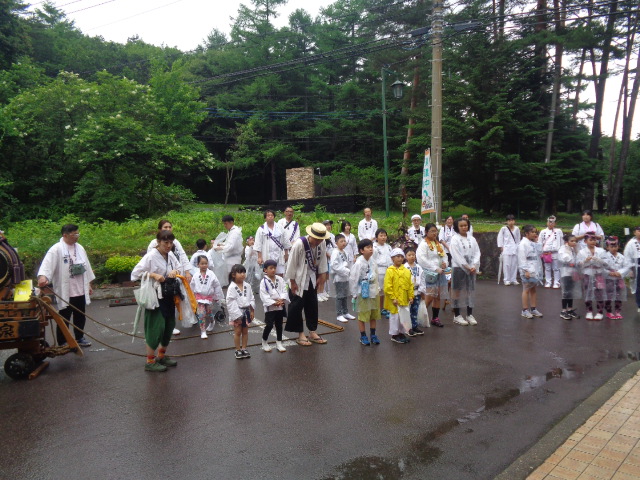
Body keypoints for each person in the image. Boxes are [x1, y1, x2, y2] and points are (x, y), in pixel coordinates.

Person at [131, 230, 184, 372]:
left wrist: (175, 272)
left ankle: (161, 356)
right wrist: (153, 275)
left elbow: (179, 267)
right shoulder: (151, 256)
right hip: (155, 297)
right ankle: (150, 361)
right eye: (165, 242)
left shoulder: (170, 255)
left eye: (171, 242)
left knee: (168, 326)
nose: (168, 245)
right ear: (158, 242)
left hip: (169, 295)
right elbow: (135, 274)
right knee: (156, 327)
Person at [37, 223, 95, 348]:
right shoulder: (56, 249)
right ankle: (63, 341)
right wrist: (43, 277)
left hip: (80, 288)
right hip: (65, 290)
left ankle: (79, 337)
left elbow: (87, 267)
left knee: (80, 315)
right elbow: (47, 265)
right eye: (74, 234)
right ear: (65, 235)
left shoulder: (80, 248)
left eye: (78, 234)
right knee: (64, 316)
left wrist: (88, 285)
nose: (77, 237)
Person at [284, 222, 330, 346]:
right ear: (311, 236)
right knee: (297, 306)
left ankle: (312, 331)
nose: (319, 241)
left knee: (312, 304)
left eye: (321, 239)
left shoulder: (322, 243)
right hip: (298, 278)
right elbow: (291, 264)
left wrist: (321, 275)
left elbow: (322, 260)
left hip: (312, 277)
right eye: (317, 239)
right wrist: (292, 282)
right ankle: (300, 334)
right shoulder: (299, 244)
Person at [147, 219, 192, 336]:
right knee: (160, 305)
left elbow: (182, 256)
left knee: (174, 302)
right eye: (165, 227)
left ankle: (171, 326)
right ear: (159, 230)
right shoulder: (154, 244)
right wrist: (154, 275)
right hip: (159, 280)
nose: (168, 229)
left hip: (174, 277)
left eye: (169, 227)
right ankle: (161, 327)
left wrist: (187, 271)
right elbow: (148, 264)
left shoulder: (175, 242)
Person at [416, 223, 449, 328]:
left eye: (436, 231)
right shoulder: (423, 244)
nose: (435, 233)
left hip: (439, 272)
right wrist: (435, 268)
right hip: (429, 273)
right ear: (426, 232)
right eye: (432, 231)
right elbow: (422, 259)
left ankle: (435, 318)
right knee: (429, 297)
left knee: (438, 296)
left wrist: (445, 263)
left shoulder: (438, 244)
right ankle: (419, 317)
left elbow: (444, 256)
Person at [349, 239, 380, 345]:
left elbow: (376, 274)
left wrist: (377, 287)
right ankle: (363, 336)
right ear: (361, 250)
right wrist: (354, 293)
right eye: (368, 247)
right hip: (363, 291)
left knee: (373, 314)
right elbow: (354, 279)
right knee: (362, 314)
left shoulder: (373, 261)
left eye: (371, 247)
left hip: (373, 291)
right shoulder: (359, 263)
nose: (371, 249)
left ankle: (373, 335)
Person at [450, 217, 480, 326]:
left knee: (470, 290)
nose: (464, 227)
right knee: (457, 290)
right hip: (459, 268)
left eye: (465, 225)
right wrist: (466, 266)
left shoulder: (472, 239)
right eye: (461, 226)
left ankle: (469, 314)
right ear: (457, 227)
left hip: (471, 268)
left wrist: (474, 265)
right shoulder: (455, 239)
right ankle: (457, 315)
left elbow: (477, 252)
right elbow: (456, 255)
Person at [384, 248, 414, 344]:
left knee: (403, 316)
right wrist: (392, 297)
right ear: (392, 258)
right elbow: (387, 286)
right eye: (397, 256)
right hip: (394, 300)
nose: (400, 258)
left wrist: (411, 296)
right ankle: (394, 334)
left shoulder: (406, 271)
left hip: (404, 298)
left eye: (401, 257)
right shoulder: (390, 270)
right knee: (395, 317)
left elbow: (410, 284)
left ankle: (401, 333)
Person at [190, 255, 223, 338]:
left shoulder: (211, 274)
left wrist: (217, 297)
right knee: (201, 315)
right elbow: (192, 286)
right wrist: (192, 296)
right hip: (199, 298)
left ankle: (212, 322)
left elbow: (216, 285)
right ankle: (203, 331)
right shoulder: (196, 275)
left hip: (209, 297)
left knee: (209, 313)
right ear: (198, 264)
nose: (204, 265)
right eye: (202, 263)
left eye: (206, 263)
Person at [226, 264, 255, 359]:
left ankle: (244, 348)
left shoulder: (247, 286)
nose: (243, 274)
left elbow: (251, 298)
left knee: (245, 331)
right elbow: (230, 302)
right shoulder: (232, 287)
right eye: (240, 272)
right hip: (237, 313)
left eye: (244, 272)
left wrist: (252, 310)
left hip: (246, 311)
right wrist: (237, 315)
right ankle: (237, 350)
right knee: (238, 332)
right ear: (233, 275)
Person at [259, 260, 288, 352]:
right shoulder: (263, 282)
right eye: (271, 268)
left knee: (279, 325)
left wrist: (282, 299)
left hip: (280, 306)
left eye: (274, 268)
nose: (273, 270)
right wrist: (273, 302)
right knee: (269, 325)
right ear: (265, 270)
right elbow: (264, 295)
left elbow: (285, 289)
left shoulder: (280, 279)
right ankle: (264, 342)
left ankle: (279, 342)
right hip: (270, 307)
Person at [577, 232, 606, 320]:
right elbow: (578, 264)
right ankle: (589, 311)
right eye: (590, 240)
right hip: (587, 273)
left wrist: (599, 260)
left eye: (594, 240)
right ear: (585, 241)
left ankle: (600, 312)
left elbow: (606, 263)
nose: (593, 242)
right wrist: (585, 261)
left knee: (599, 292)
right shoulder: (581, 252)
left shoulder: (601, 251)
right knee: (587, 292)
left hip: (599, 274)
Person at [517, 225, 544, 319]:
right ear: (526, 233)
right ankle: (524, 310)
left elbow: (540, 253)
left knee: (533, 289)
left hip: (535, 269)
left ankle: (533, 308)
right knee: (526, 289)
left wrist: (537, 242)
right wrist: (525, 270)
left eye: (535, 232)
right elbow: (522, 258)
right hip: (528, 269)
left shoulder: (533, 243)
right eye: (532, 232)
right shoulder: (523, 244)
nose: (534, 234)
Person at [601, 237, 630, 320]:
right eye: (611, 247)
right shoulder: (604, 257)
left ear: (618, 246)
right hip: (608, 279)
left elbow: (626, 266)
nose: (614, 248)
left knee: (618, 296)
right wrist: (609, 273)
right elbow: (601, 267)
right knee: (608, 296)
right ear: (607, 247)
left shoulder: (622, 257)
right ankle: (609, 311)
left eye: (615, 246)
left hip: (618, 279)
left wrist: (620, 272)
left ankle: (618, 311)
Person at [255, 209, 290, 276]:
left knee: (280, 275)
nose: (270, 217)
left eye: (272, 215)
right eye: (268, 215)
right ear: (265, 218)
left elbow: (285, 240)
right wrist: (259, 257)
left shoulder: (280, 228)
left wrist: (286, 254)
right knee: (268, 275)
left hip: (279, 254)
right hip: (267, 255)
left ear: (274, 217)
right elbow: (258, 243)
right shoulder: (261, 229)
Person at [558, 234, 582, 320]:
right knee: (566, 292)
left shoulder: (573, 248)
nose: (574, 242)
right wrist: (573, 261)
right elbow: (566, 259)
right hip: (566, 272)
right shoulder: (563, 249)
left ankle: (570, 309)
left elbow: (578, 258)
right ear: (566, 241)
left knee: (571, 292)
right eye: (572, 241)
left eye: (575, 241)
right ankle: (563, 311)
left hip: (573, 272)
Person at [330, 233, 353, 323]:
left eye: (344, 241)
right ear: (336, 243)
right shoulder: (335, 252)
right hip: (339, 277)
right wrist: (345, 271)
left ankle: (345, 312)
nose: (343, 243)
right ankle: (339, 314)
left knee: (345, 295)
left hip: (346, 277)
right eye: (341, 241)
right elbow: (334, 265)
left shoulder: (345, 252)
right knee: (340, 296)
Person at [404, 247, 426, 333]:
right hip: (408, 292)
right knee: (407, 310)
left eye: (413, 255)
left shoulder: (419, 267)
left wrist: (421, 291)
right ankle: (407, 327)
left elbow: (422, 279)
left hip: (417, 291)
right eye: (409, 255)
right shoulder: (404, 268)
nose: (412, 257)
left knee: (415, 310)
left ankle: (415, 326)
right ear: (405, 256)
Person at [538, 215, 563, 288]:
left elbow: (561, 242)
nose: (550, 223)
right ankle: (548, 281)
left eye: (552, 222)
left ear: (555, 223)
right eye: (549, 222)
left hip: (555, 252)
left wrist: (561, 251)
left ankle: (556, 282)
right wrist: (541, 251)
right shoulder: (543, 232)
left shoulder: (558, 231)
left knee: (556, 268)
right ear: (547, 222)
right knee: (547, 268)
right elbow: (540, 242)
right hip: (546, 252)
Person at [373, 228, 393, 318]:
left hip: (388, 270)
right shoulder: (374, 247)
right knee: (379, 290)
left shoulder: (388, 247)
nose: (383, 237)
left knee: (386, 290)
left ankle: (385, 308)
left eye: (385, 235)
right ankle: (378, 308)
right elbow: (372, 260)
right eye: (381, 236)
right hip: (379, 270)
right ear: (376, 237)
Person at [497, 214, 520, 285]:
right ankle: (506, 280)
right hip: (506, 248)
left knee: (514, 264)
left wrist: (518, 247)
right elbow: (500, 237)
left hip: (515, 248)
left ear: (514, 221)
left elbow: (518, 238)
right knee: (506, 265)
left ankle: (513, 279)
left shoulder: (517, 229)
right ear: (507, 221)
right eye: (509, 220)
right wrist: (501, 246)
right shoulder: (503, 229)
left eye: (512, 220)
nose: (511, 222)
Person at [623, 226, 640, 313]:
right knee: (638, 286)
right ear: (634, 232)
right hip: (637, 266)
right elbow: (627, 257)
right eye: (638, 231)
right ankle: (639, 304)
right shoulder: (631, 243)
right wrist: (629, 269)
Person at [319, 220, 336, 302]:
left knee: (326, 275)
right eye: (327, 225)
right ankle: (319, 292)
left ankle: (324, 291)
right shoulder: (321, 236)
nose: (328, 226)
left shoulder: (332, 236)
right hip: (323, 258)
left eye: (329, 225)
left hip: (330, 259)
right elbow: (322, 248)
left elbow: (334, 246)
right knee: (321, 275)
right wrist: (328, 255)